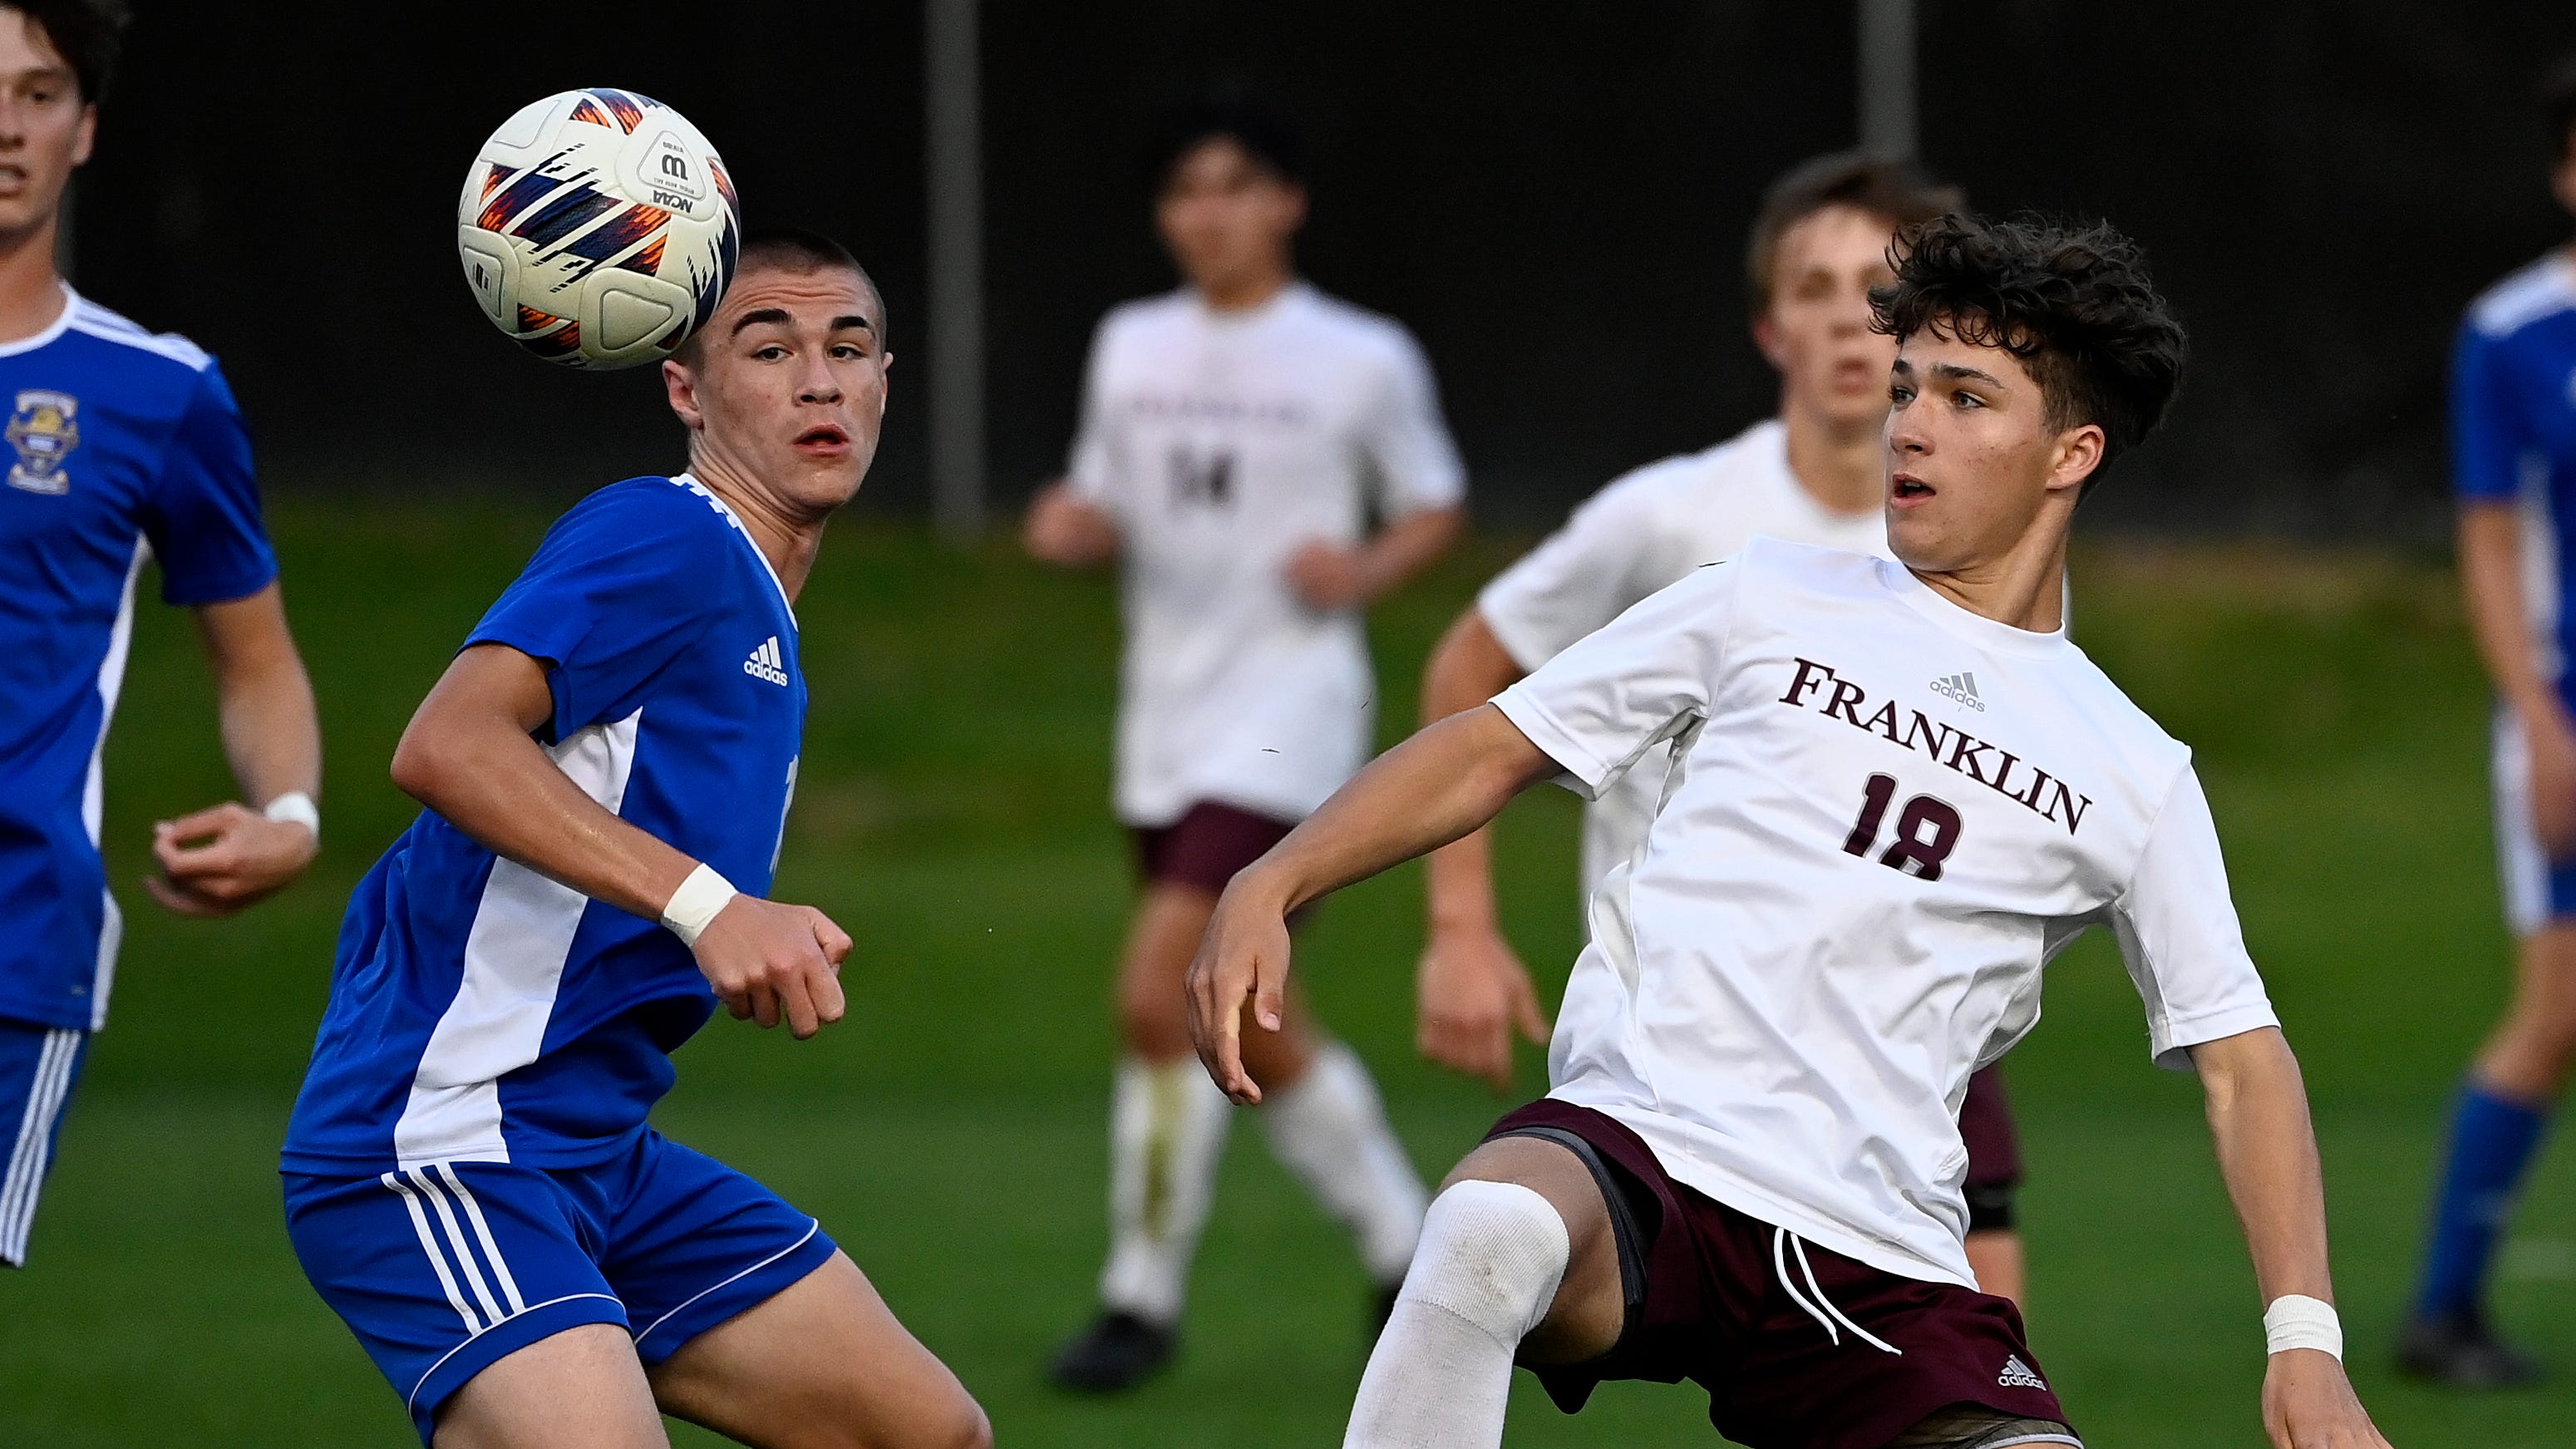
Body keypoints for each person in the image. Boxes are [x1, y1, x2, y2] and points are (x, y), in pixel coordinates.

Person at [1189, 214, 2394, 1449]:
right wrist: (1270, 880)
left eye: (1968, 398)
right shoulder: (1762, 595)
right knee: (1488, 1234)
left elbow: (2244, 1061)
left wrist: (2306, 1348)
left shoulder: (2132, 766)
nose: (1910, 423)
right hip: (1641, 1155)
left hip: (1881, 1260)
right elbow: (1496, 743)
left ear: (2069, 453)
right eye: (1910, 387)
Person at [279, 229, 990, 1449]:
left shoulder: (758, 619)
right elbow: (447, 745)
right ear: (685, 388)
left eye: (849, 347)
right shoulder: (668, 538)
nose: (819, 380)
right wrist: (714, 909)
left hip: (599, 1156)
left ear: (885, 383)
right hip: (446, 1139)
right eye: (768, 348)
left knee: (924, 1432)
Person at [1412, 152, 2036, 1304]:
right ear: (1768, 329)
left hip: (1897, 1015)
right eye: (1813, 288)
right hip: (1689, 1029)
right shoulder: (1673, 517)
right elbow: (1472, 657)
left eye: (1882, 290)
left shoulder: (1995, 543)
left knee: (1980, 1358)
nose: (1852, 323)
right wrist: (1460, 923)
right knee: (1536, 1279)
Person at [1024, 93, 1465, 1390]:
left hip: (1293, 719)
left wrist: (1368, 564)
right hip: (1163, 714)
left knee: (1164, 977)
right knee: (1252, 1016)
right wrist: (1073, 529)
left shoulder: (1359, 354)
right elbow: (1100, 497)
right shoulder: (1130, 344)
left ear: (1288, 200)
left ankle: (1138, 1299)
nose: (1207, 215)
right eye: (1183, 192)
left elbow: (1434, 504)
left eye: (1233, 186)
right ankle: (1412, 1252)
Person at [0, 0, 321, 1269]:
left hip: (12, 946)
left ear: (84, 129)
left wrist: (289, 819)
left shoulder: (158, 393)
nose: (5, 126)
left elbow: (258, 661)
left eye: (38, 94)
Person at [2401, 48, 2576, 1388]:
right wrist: (2536, 721)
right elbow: (2490, 534)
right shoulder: (2513, 334)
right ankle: (2442, 1311)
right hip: (2568, 712)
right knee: (2557, 1003)